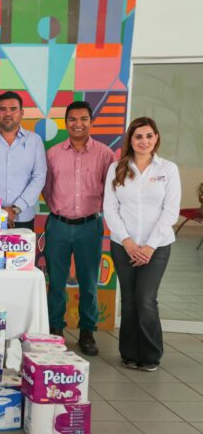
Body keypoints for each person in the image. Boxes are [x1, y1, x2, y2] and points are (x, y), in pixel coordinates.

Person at [103, 117, 180, 372]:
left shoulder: (168, 169)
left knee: (145, 298)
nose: (144, 141)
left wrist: (149, 247)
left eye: (149, 136)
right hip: (123, 245)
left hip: (157, 247)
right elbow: (110, 209)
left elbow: (170, 212)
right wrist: (127, 241)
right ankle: (129, 353)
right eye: (138, 136)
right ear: (131, 140)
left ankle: (150, 355)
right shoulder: (117, 168)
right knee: (129, 299)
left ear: (156, 138)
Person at [42, 101, 116, 356]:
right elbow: (46, 187)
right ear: (66, 123)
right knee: (56, 282)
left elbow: (111, 190)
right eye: (72, 119)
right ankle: (55, 330)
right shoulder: (52, 154)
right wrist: (58, 209)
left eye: (84, 119)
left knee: (89, 283)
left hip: (89, 226)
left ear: (91, 121)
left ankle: (87, 332)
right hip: (58, 226)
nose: (78, 124)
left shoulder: (105, 154)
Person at [0, 91, 47, 229]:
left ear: (21, 113)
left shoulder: (35, 141)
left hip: (23, 217)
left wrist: (16, 208)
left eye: (13, 109)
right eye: (3, 109)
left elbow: (39, 177)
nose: (7, 114)